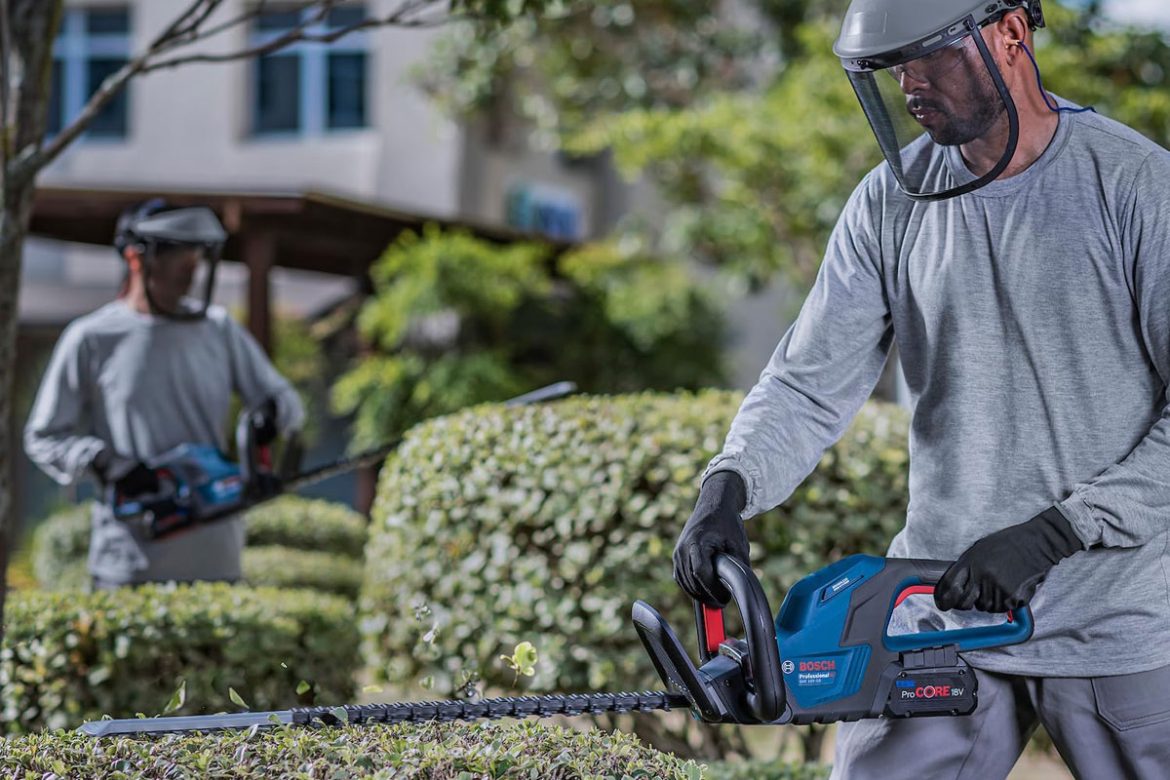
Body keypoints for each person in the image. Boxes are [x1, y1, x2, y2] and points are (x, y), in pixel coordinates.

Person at [673, 0, 1170, 776]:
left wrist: (1059, 530)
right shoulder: (890, 201)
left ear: (1009, 33)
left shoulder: (1137, 186)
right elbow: (807, 384)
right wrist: (729, 487)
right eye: (891, 66)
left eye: (925, 57)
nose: (909, 82)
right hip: (943, 604)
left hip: (1117, 610)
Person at [25, 198, 304, 589]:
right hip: (128, 563)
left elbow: (286, 402)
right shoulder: (92, 338)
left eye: (194, 263)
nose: (190, 274)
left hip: (216, 558)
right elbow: (44, 436)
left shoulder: (218, 329)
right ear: (138, 260)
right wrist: (105, 461)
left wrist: (269, 417)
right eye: (178, 263)